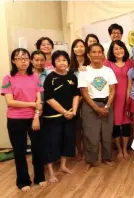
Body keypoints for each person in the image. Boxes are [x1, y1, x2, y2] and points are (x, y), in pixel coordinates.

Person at [1, 48, 46, 191]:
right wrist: (32, 104)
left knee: (38, 149)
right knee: (19, 151)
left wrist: (36, 115)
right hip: (15, 119)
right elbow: (10, 102)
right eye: (19, 58)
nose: (23, 61)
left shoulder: (35, 77)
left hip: (34, 117)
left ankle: (39, 177)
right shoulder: (8, 77)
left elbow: (39, 99)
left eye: (26, 58)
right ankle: (23, 181)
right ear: (14, 61)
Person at [78, 43, 117, 171]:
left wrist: (107, 106)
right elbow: (84, 92)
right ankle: (91, 160)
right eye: (93, 52)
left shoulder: (108, 70)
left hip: (107, 104)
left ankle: (107, 158)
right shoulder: (83, 71)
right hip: (90, 105)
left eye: (99, 52)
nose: (97, 54)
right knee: (90, 135)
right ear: (88, 55)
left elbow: (112, 90)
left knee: (107, 134)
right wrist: (96, 108)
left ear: (103, 54)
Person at [42, 50, 80, 183]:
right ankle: (51, 171)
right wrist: (64, 112)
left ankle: (63, 165)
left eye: (64, 60)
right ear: (53, 63)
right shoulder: (50, 78)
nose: (62, 63)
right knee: (53, 142)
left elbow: (76, 94)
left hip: (70, 115)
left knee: (67, 140)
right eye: (58, 60)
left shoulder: (73, 77)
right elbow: (49, 99)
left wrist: (74, 111)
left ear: (68, 62)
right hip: (53, 117)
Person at [105, 40, 133, 159]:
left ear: (124, 49)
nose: (119, 51)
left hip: (127, 96)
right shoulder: (107, 63)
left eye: (120, 48)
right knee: (115, 125)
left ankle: (125, 149)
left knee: (126, 124)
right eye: (116, 49)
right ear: (112, 51)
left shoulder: (130, 62)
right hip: (113, 98)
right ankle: (119, 150)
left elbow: (132, 81)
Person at [69, 39, 90, 161]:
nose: (79, 48)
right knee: (77, 127)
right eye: (76, 46)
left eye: (82, 46)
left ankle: (88, 150)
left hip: (87, 98)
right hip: (74, 99)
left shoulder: (89, 63)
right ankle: (78, 150)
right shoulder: (70, 65)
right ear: (73, 49)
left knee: (87, 126)